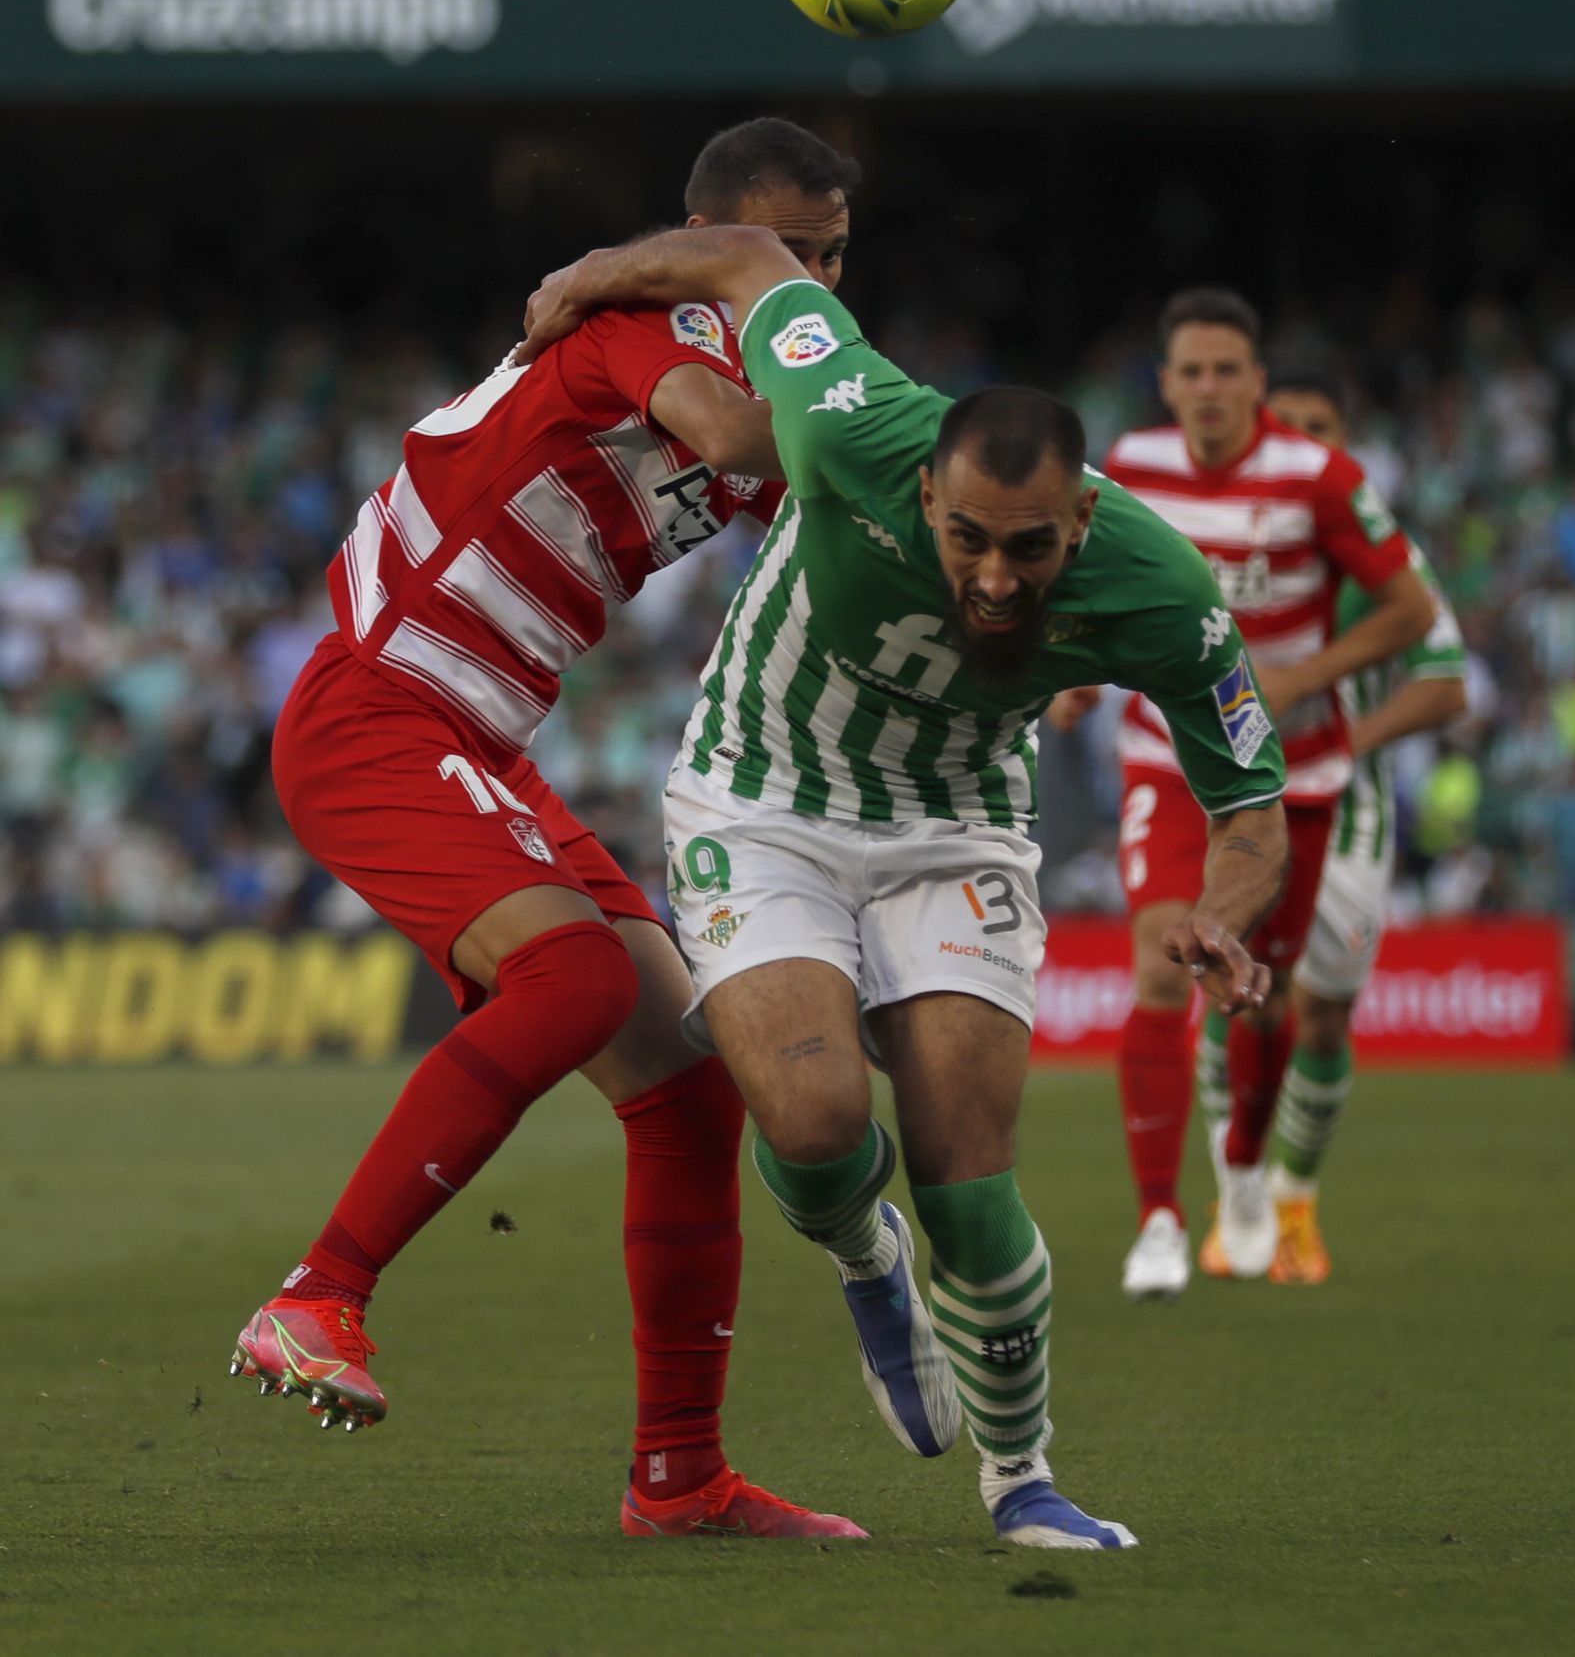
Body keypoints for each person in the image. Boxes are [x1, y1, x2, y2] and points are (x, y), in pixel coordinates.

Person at [516, 223, 1291, 1550]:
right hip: (763, 798)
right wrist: (585, 280)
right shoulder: (845, 419)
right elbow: (754, 257)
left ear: (1084, 519)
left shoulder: (1164, 590)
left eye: (1033, 550)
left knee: (968, 1174)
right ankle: (865, 1258)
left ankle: (1023, 1480)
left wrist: (1221, 912)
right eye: (971, 540)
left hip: (956, 824)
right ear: (923, 494)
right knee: (816, 1127)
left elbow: (1253, 807)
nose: (997, 580)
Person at [229, 118, 870, 1541]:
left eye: (831, 257)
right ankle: (317, 1296)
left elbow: (850, 516)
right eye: (782, 256)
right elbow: (733, 433)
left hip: (478, 740)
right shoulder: (649, 329)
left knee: (690, 1088)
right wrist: (868, 414)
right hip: (377, 709)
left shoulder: (743, 348)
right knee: (573, 978)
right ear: (712, 252)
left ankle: (680, 1482)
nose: (812, 285)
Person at [1100, 290, 1433, 1299]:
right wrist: (1075, 675)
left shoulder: (1320, 478)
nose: (1206, 389)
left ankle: (1244, 1170)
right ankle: (1158, 1219)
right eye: (1188, 372)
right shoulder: (1128, 468)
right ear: (1166, 383)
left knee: (1261, 996)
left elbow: (1411, 610)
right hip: (1166, 753)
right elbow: (1086, 582)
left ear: (1256, 383)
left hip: (1292, 771)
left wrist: (1302, 677)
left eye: (1224, 371)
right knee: (1164, 966)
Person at [1259, 370, 1468, 1283]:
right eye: (1289, 425)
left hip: (1351, 816)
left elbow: (1447, 686)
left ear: (1341, 445)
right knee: (1247, 996)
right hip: (1243, 805)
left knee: (1327, 1014)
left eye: (1321, 427)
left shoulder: (1385, 557)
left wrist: (1347, 739)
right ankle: (1238, 1198)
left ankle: (1293, 1198)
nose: (1305, 438)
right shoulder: (1230, 542)